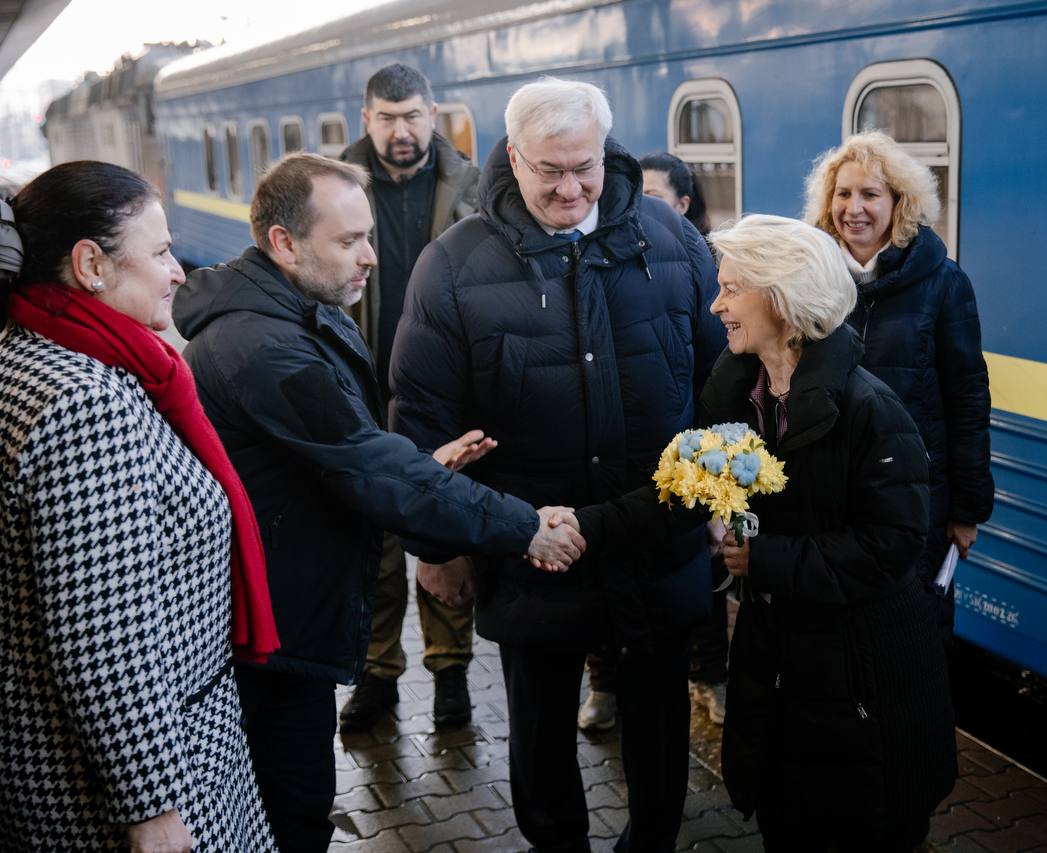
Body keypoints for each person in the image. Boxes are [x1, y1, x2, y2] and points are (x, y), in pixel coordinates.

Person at [171, 153, 585, 852]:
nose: (370, 256)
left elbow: (345, 454)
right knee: (294, 808)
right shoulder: (265, 346)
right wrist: (522, 527)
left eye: (368, 235)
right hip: (272, 630)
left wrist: (416, 469)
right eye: (349, 240)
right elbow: (366, 465)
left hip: (282, 609)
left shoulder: (290, 310)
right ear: (284, 243)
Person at [388, 78, 726, 853]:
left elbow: (722, 384)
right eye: (550, 171)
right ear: (514, 157)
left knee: (659, 731)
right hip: (530, 550)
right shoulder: (452, 267)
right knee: (539, 736)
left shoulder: (671, 243)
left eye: (585, 167)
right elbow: (421, 418)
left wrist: (718, 498)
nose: (570, 187)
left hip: (657, 540)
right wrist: (436, 549)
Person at [573, 214, 957, 852]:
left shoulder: (870, 410)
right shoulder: (735, 390)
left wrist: (765, 558)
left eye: (731, 288)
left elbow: (891, 548)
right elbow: (676, 489)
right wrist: (574, 528)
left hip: (861, 673)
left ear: (782, 295)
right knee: (787, 817)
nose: (715, 303)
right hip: (778, 659)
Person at [0, 161, 276, 850]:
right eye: (158, 252)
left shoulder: (30, 353)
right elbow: (103, 637)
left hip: (68, 758)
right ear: (90, 264)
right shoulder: (89, 402)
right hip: (140, 777)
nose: (178, 270)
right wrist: (153, 806)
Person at [337, 62, 484, 734]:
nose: (402, 131)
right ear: (366, 119)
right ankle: (377, 677)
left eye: (413, 116)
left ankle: (451, 674)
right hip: (361, 388)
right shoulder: (333, 186)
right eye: (388, 118)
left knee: (442, 524)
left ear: (433, 114)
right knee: (372, 541)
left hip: (440, 387)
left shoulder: (470, 186)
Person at [804, 130, 994, 632]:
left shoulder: (943, 282)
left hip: (916, 500)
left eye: (870, 194)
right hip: (832, 495)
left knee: (913, 635)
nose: (854, 208)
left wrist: (968, 509)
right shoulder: (811, 279)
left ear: (899, 203)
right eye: (843, 193)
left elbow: (968, 398)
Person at [577, 151, 726, 733]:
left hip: (680, 474)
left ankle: (708, 675)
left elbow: (713, 375)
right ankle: (604, 685)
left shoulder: (693, 261)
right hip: (614, 476)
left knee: (692, 592)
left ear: (682, 207)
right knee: (605, 585)